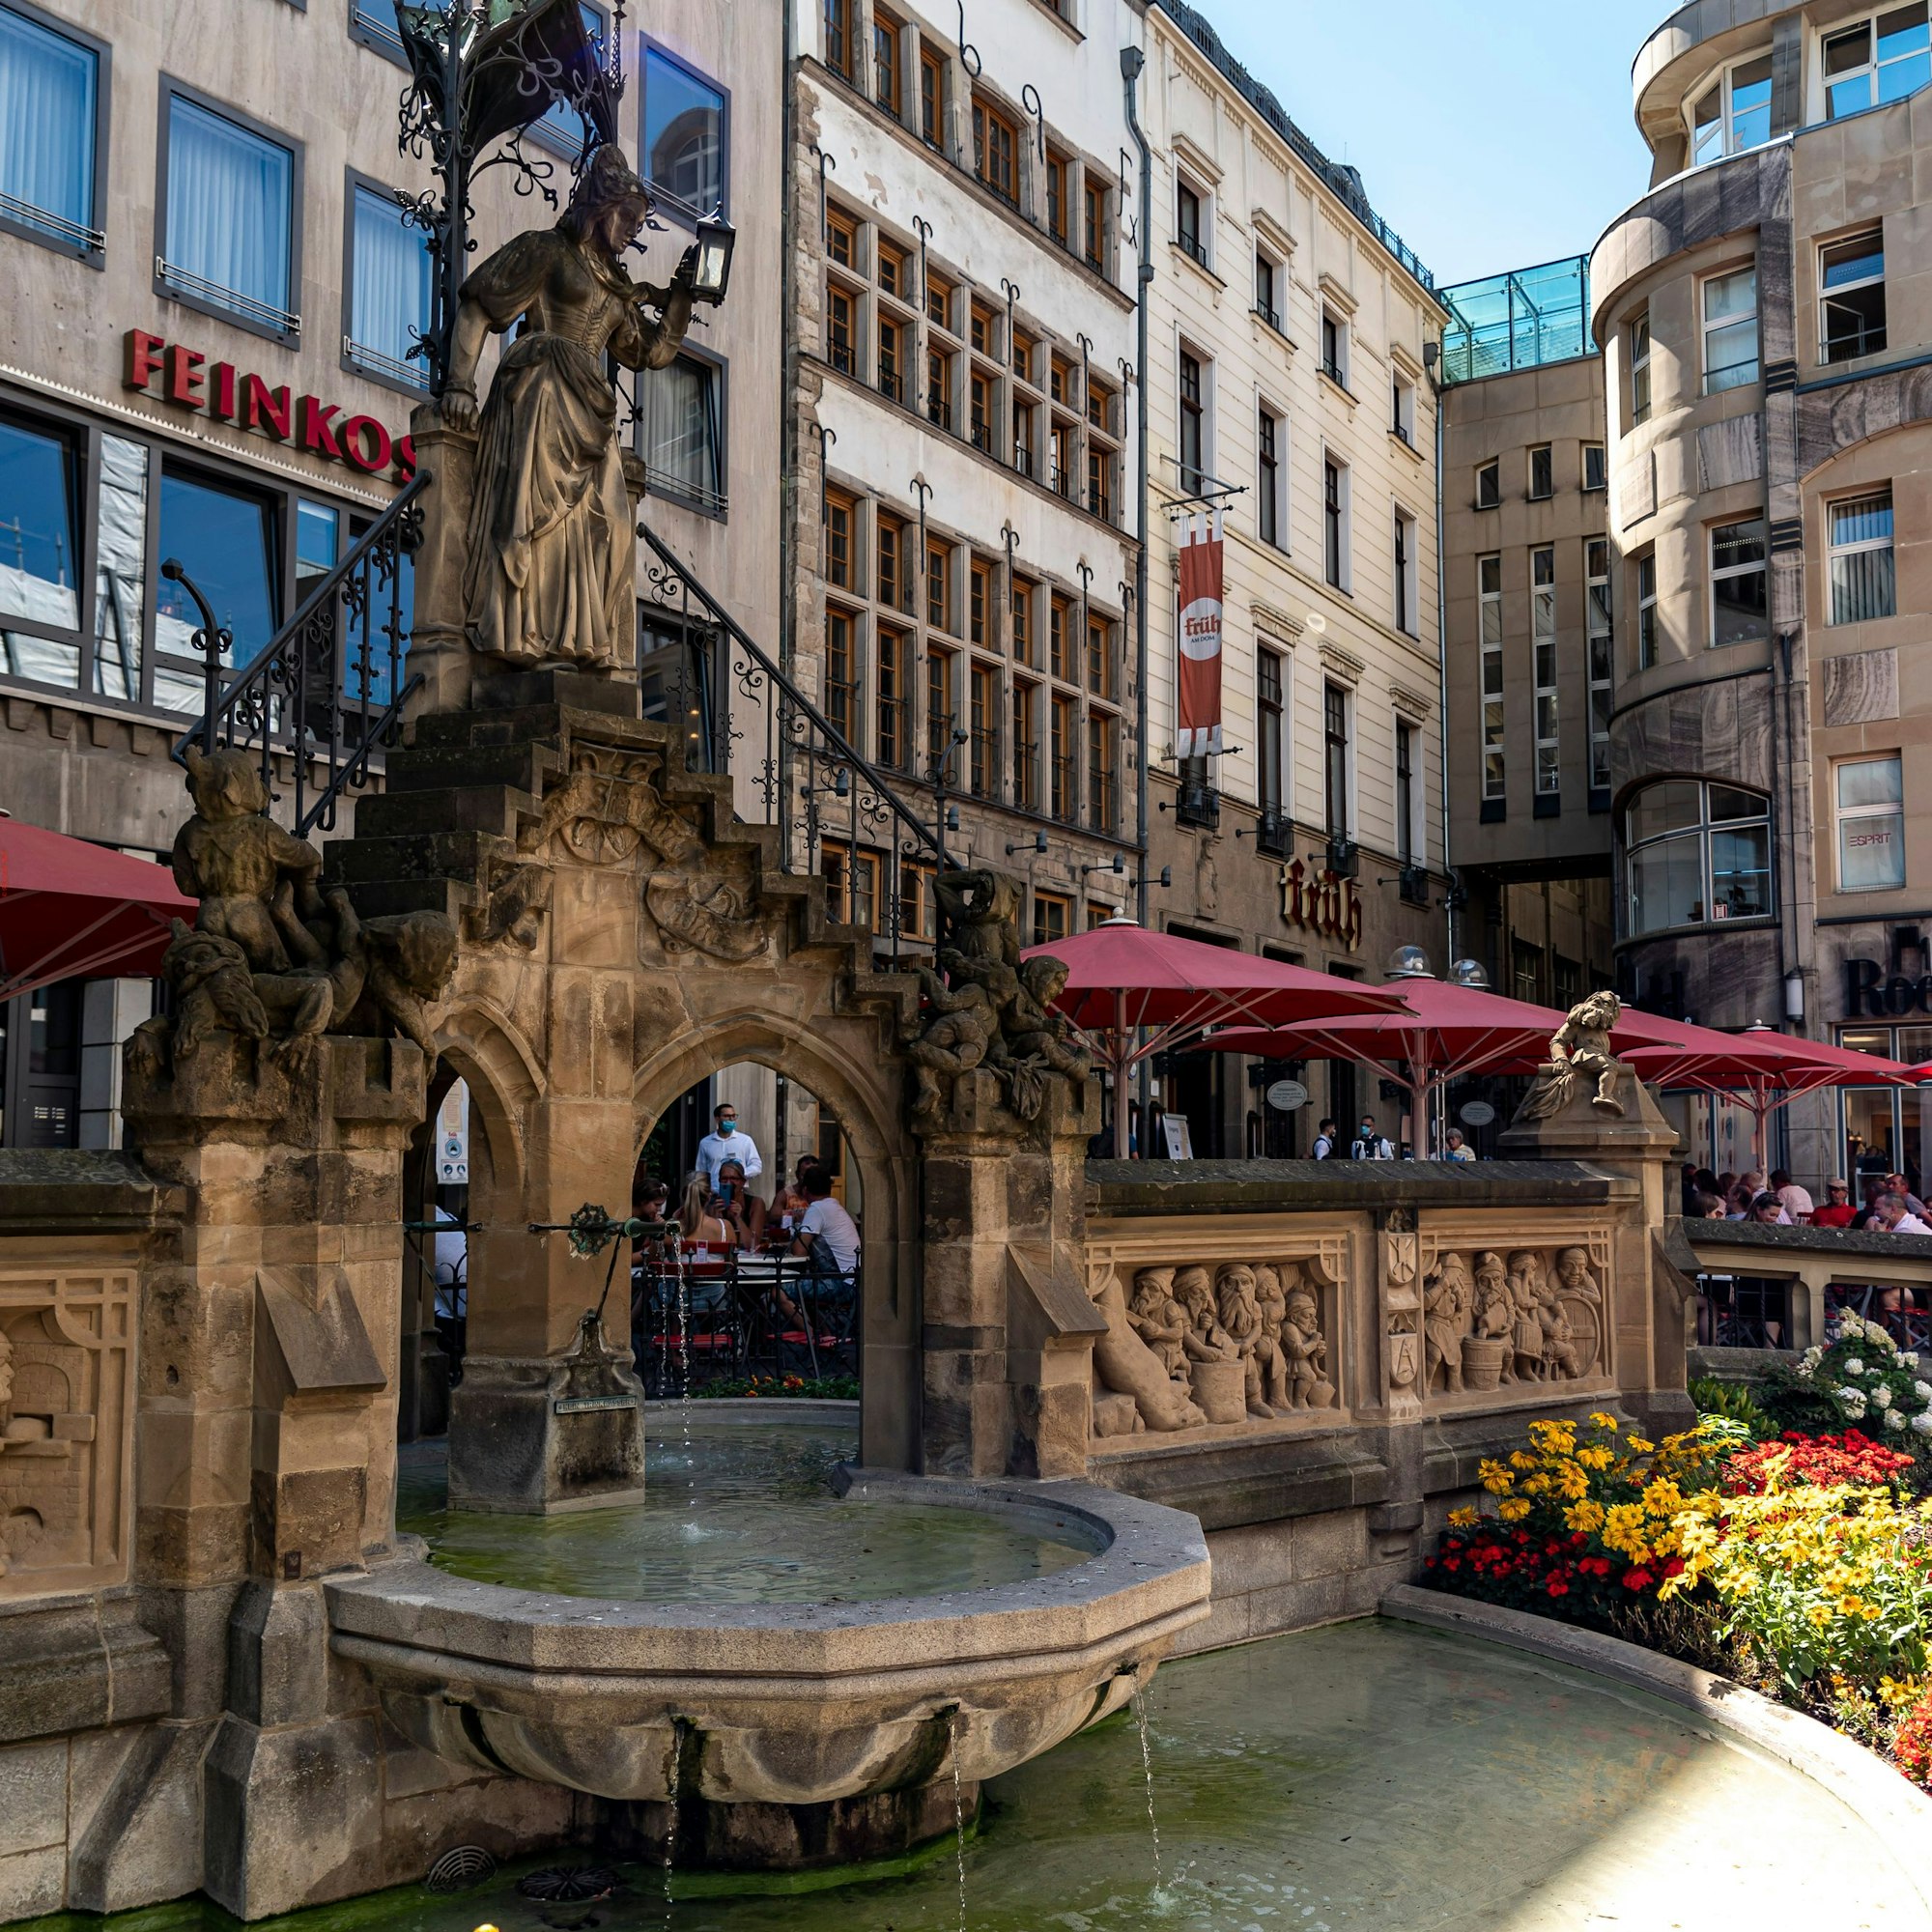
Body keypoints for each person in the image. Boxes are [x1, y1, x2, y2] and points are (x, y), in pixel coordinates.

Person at [789, 1166, 861, 1278]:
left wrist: (798, 1225)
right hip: (854, 1279)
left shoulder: (817, 1208)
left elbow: (798, 1251)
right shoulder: (835, 1206)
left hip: (841, 1282)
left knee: (779, 1291)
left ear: (805, 1190)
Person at [695, 1101, 763, 1190]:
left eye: (733, 1116)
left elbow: (756, 1165)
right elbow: (701, 1170)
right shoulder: (706, 1143)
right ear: (717, 1118)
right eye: (726, 1116)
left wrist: (739, 1174)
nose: (731, 1119)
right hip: (713, 1191)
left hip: (738, 1191)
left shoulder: (745, 1141)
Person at [714, 1156, 768, 1249]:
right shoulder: (712, 1204)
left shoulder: (756, 1203)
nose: (728, 1183)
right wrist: (715, 1219)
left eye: (733, 1178)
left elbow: (752, 1244)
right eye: (724, 1179)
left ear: (743, 1182)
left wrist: (738, 1219)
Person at [675, 1174, 735, 1253]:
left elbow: (655, 1259)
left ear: (683, 1196)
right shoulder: (725, 1228)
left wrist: (673, 1219)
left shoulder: (673, 1228)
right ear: (709, 1197)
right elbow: (733, 1262)